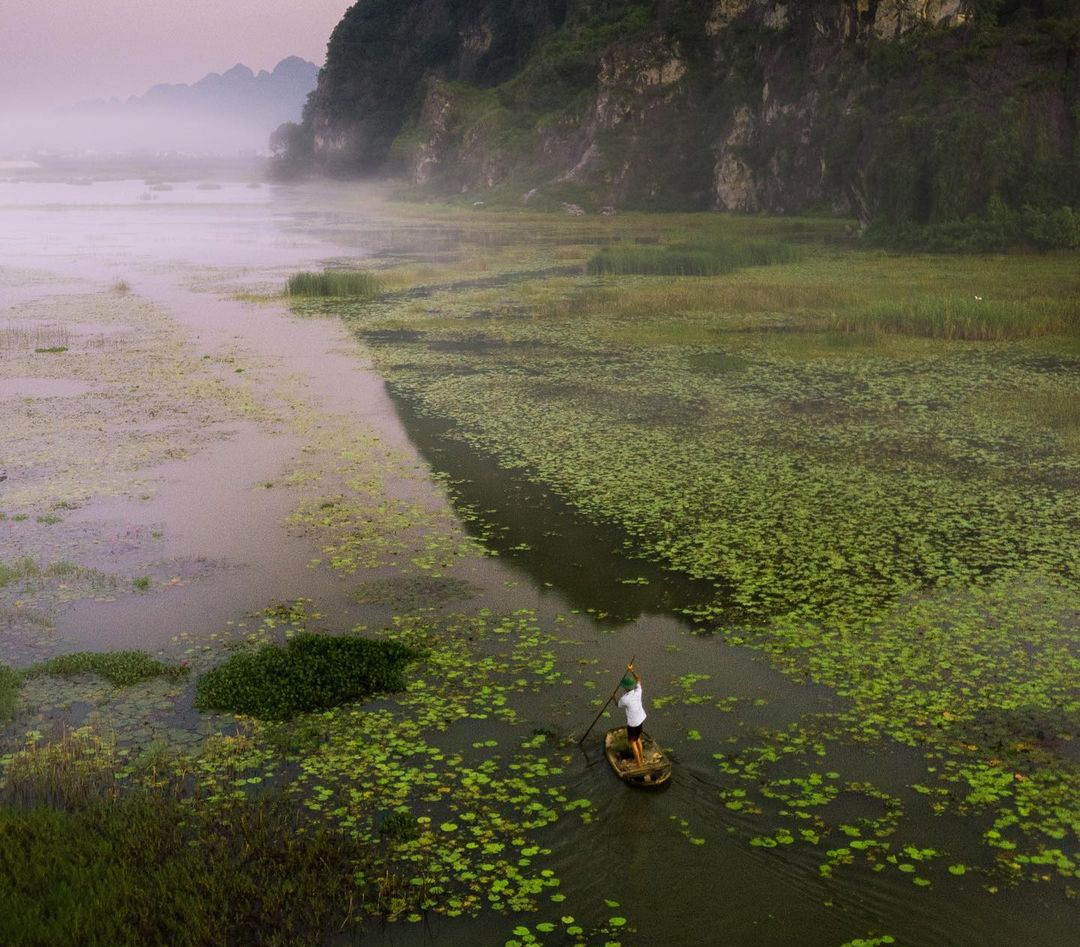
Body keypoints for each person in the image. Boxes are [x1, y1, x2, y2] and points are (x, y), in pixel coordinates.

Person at [617, 662, 646, 766]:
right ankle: (641, 759)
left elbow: (618, 705)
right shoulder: (638, 691)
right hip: (641, 719)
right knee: (638, 739)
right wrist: (631, 670)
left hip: (633, 723)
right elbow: (638, 679)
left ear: (625, 688)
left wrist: (613, 699)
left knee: (632, 742)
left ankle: (638, 763)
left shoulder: (624, 699)